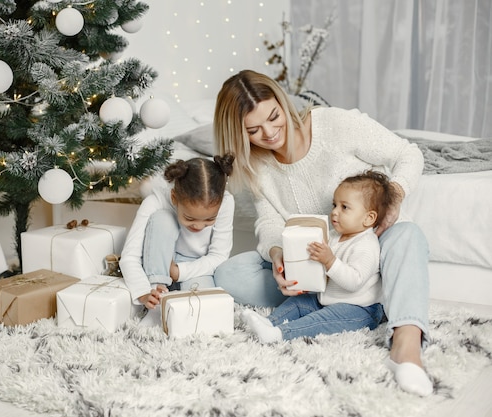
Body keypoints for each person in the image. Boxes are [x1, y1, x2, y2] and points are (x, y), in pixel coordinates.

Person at [213, 69, 433, 397]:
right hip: (313, 262)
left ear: (283, 103)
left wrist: (395, 196)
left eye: (274, 117)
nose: (271, 133)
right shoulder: (257, 164)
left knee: (408, 236)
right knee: (229, 272)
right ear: (239, 135)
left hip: (366, 250)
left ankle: (406, 343)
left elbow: (408, 154)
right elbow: (269, 224)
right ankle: (350, 304)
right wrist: (277, 255)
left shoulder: (334, 125)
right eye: (254, 130)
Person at [243, 170, 394, 344]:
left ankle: (279, 333)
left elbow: (354, 281)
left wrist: (330, 261)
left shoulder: (366, 245)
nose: (335, 212)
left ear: (369, 218)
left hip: (359, 309)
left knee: (320, 320)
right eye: (334, 205)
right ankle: (270, 322)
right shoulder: (335, 236)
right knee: (299, 302)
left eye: (344, 207)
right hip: (326, 298)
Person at [119, 154, 235, 312]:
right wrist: (144, 292)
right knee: (162, 219)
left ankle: (172, 294)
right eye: (189, 218)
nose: (199, 226)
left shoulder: (226, 202)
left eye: (209, 220)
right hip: (158, 265)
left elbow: (219, 256)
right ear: (174, 197)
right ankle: (158, 293)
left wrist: (179, 272)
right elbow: (130, 256)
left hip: (197, 267)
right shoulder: (155, 202)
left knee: (202, 309)